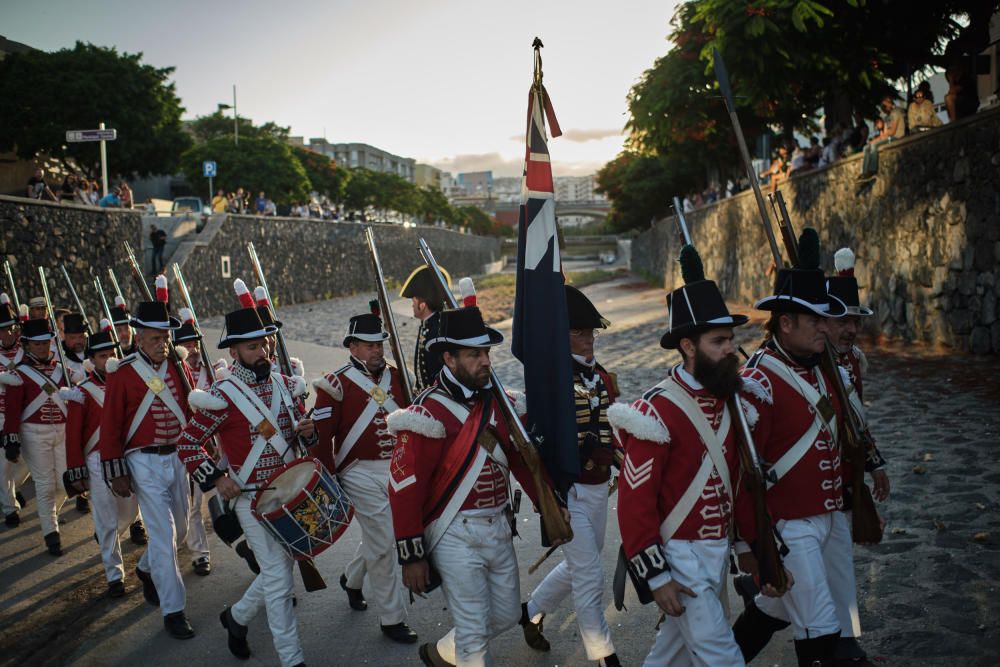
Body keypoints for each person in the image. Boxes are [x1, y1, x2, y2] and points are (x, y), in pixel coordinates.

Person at [612, 245, 787, 666]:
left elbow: (741, 486)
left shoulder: (730, 403)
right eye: (720, 340)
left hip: (714, 552)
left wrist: (752, 547)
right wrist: (656, 575)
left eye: (732, 339)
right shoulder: (655, 411)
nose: (731, 349)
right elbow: (634, 504)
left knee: (672, 657)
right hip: (678, 556)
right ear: (688, 346)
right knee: (721, 656)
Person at [387, 288, 566, 667]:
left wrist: (548, 501)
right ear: (448, 358)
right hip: (454, 532)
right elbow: (403, 487)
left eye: (486, 353)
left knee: (503, 616)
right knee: (472, 634)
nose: (486, 361)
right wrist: (411, 553)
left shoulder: (500, 401)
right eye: (475, 355)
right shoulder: (424, 413)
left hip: (499, 525)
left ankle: (439, 654)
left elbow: (520, 460)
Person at [731, 229, 854, 667]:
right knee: (819, 628)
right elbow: (744, 472)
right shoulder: (760, 382)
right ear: (786, 323)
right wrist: (751, 545)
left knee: (775, 609)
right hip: (789, 527)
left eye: (827, 318)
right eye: (816, 320)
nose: (827, 327)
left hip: (824, 515)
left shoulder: (820, 367)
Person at [176, 292, 315, 667]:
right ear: (234, 351)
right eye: (254, 346)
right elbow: (187, 443)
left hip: (289, 496)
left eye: (266, 343)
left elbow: (305, 437)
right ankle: (292, 659)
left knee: (278, 571)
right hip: (251, 500)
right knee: (280, 581)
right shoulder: (222, 395)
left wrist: (307, 430)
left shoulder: (287, 384)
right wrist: (218, 477)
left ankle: (236, 619)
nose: (264, 351)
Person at [519, 285, 621, 666]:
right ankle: (604, 655)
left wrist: (623, 459)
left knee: (585, 561)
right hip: (568, 491)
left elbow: (611, 429)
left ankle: (530, 609)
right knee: (590, 575)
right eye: (578, 333)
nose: (588, 339)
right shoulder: (550, 383)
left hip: (597, 488)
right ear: (561, 336)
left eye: (590, 332)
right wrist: (550, 496)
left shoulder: (603, 378)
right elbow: (535, 445)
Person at [313, 307, 417, 644]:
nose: (376, 350)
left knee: (379, 536)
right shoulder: (335, 384)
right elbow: (320, 436)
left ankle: (353, 579)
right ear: (352, 347)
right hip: (357, 471)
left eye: (379, 344)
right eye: (368, 345)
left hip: (397, 469)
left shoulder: (398, 377)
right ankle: (392, 617)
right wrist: (328, 480)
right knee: (386, 538)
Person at [99, 278, 196, 639]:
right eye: (155, 338)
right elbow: (110, 425)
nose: (163, 344)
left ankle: (145, 568)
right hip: (142, 460)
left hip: (176, 457)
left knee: (182, 529)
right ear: (138, 338)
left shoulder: (177, 367)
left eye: (166, 338)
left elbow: (188, 407)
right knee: (163, 533)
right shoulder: (122, 373)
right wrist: (116, 470)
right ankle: (174, 610)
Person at [62, 319, 148, 597]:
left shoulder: (129, 383)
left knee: (130, 511)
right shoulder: (82, 392)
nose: (109, 359)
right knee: (106, 519)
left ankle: (109, 536)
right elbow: (73, 435)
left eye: (112, 353)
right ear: (92, 360)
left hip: (126, 457)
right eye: (102, 356)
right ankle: (115, 575)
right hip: (97, 462)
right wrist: (76, 469)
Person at [1, 316, 71, 555]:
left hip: (62, 430)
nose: (42, 347)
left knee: (65, 482)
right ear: (28, 345)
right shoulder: (20, 374)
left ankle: (50, 512)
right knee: (44, 484)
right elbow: (12, 411)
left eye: (45, 343)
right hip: (33, 432)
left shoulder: (62, 370)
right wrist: (11, 437)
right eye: (37, 344)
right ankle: (51, 533)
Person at [172, 309, 215, 576]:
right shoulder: (177, 374)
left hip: (211, 442)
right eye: (186, 343)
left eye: (194, 342)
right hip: (185, 443)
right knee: (192, 505)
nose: (192, 347)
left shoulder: (212, 371)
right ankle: (200, 553)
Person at [399, 264, 452, 390]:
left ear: (422, 305)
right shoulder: (427, 325)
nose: (412, 306)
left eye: (414, 301)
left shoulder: (437, 329)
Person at [0, 295, 28, 527]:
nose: (6, 334)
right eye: (2, 331)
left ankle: (14, 489)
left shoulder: (27, 348)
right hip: (1, 414)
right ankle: (10, 508)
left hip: (28, 412)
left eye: (10, 329)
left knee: (29, 460)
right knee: (4, 463)